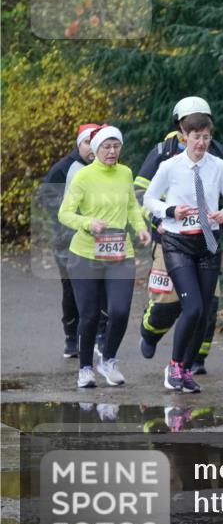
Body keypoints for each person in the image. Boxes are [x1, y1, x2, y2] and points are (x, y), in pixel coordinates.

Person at [134, 97, 223, 373]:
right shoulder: (163, 152)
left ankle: (196, 359)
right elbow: (141, 193)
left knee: (208, 303)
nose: (200, 137)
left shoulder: (216, 154)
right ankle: (150, 332)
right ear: (181, 127)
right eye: (191, 126)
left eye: (203, 128)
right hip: (170, 239)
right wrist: (160, 217)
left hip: (206, 240)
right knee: (167, 303)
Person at [58, 126, 152, 388]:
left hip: (120, 253)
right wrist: (88, 222)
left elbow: (132, 206)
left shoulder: (125, 173)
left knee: (120, 312)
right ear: (96, 149)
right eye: (106, 147)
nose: (112, 152)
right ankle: (85, 368)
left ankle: (108, 360)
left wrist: (141, 228)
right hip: (85, 255)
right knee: (88, 315)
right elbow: (64, 214)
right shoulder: (83, 177)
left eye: (116, 146)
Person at [40, 123, 106, 358]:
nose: (91, 148)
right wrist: (73, 220)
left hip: (101, 238)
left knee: (101, 285)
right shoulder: (63, 169)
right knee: (72, 288)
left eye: (95, 142)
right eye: (87, 142)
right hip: (67, 240)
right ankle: (71, 337)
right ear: (79, 144)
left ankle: (100, 335)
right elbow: (46, 198)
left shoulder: (106, 168)